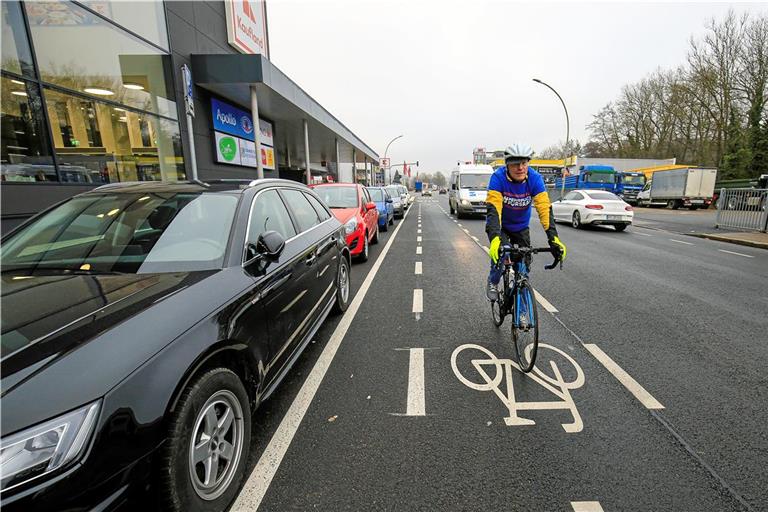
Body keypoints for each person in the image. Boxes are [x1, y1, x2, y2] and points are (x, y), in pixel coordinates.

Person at [485, 143, 567, 301]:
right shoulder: (498, 178)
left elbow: (544, 208)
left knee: (523, 269)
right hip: (501, 226)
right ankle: (493, 281)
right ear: (507, 165)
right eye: (516, 164)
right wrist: (495, 238)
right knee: (502, 254)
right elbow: (493, 210)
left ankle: (522, 314)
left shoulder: (535, 179)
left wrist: (553, 238)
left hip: (521, 228)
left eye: (524, 163)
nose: (521, 168)